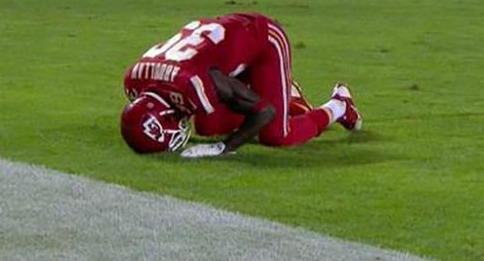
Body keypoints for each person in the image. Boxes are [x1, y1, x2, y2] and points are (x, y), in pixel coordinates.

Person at [120, 13, 362, 158]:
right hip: (221, 50)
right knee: (207, 124)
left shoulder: (192, 83)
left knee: (277, 134)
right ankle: (287, 97)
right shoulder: (134, 80)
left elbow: (264, 111)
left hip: (263, 39)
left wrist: (224, 148)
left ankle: (340, 105)